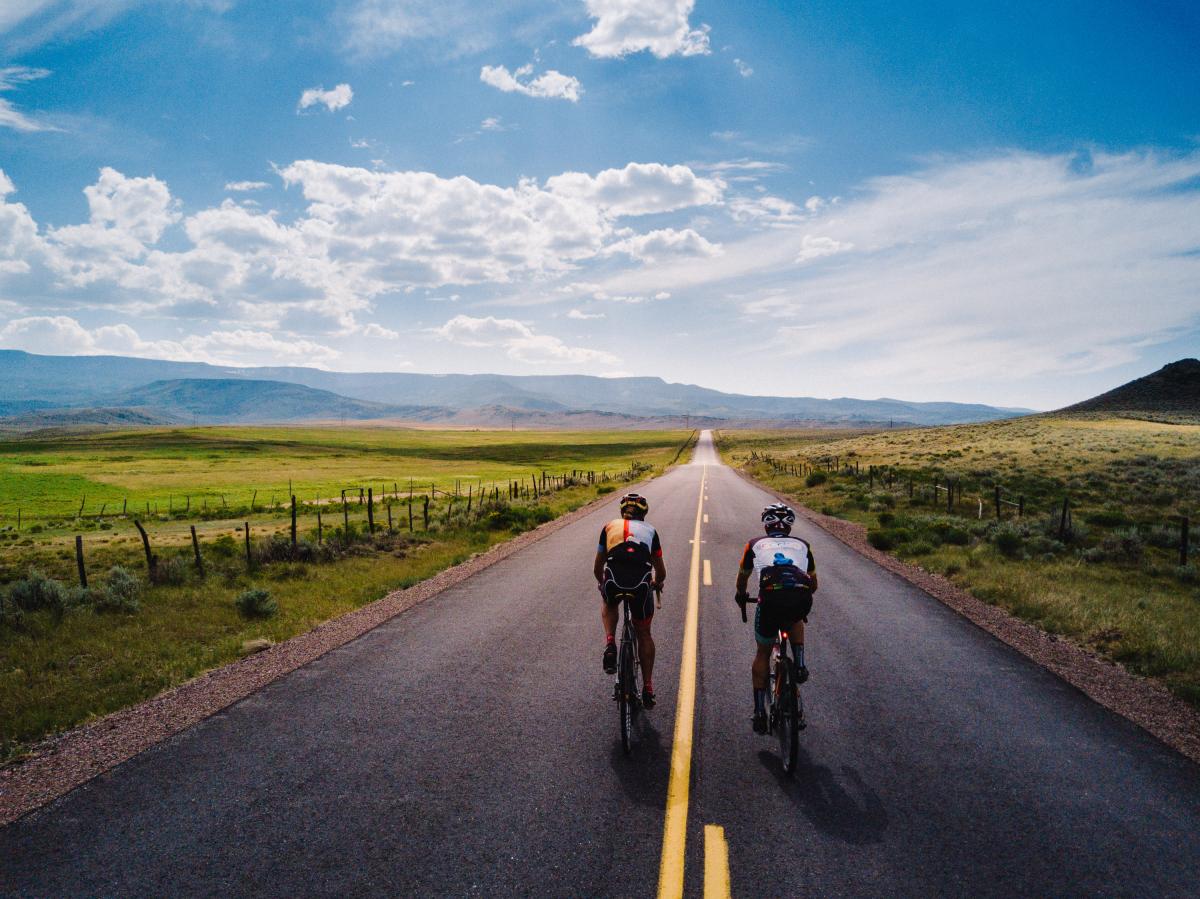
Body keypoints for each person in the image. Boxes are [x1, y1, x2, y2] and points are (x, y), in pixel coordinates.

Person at [735, 502, 817, 734]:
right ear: (790, 526)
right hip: (799, 599)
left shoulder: (753, 545)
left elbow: (743, 578)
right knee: (796, 617)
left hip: (769, 602)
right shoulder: (804, 545)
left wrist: (741, 595)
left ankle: (760, 712)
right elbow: (813, 584)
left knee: (762, 653)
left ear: (766, 525)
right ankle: (799, 664)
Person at [594, 492, 666, 708]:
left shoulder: (608, 527)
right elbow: (661, 571)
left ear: (622, 511)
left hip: (614, 581)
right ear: (644, 513)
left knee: (609, 601)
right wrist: (657, 583)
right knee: (644, 632)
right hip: (641, 585)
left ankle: (609, 643)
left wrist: (601, 583)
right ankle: (648, 687)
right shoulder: (651, 531)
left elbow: (598, 567)